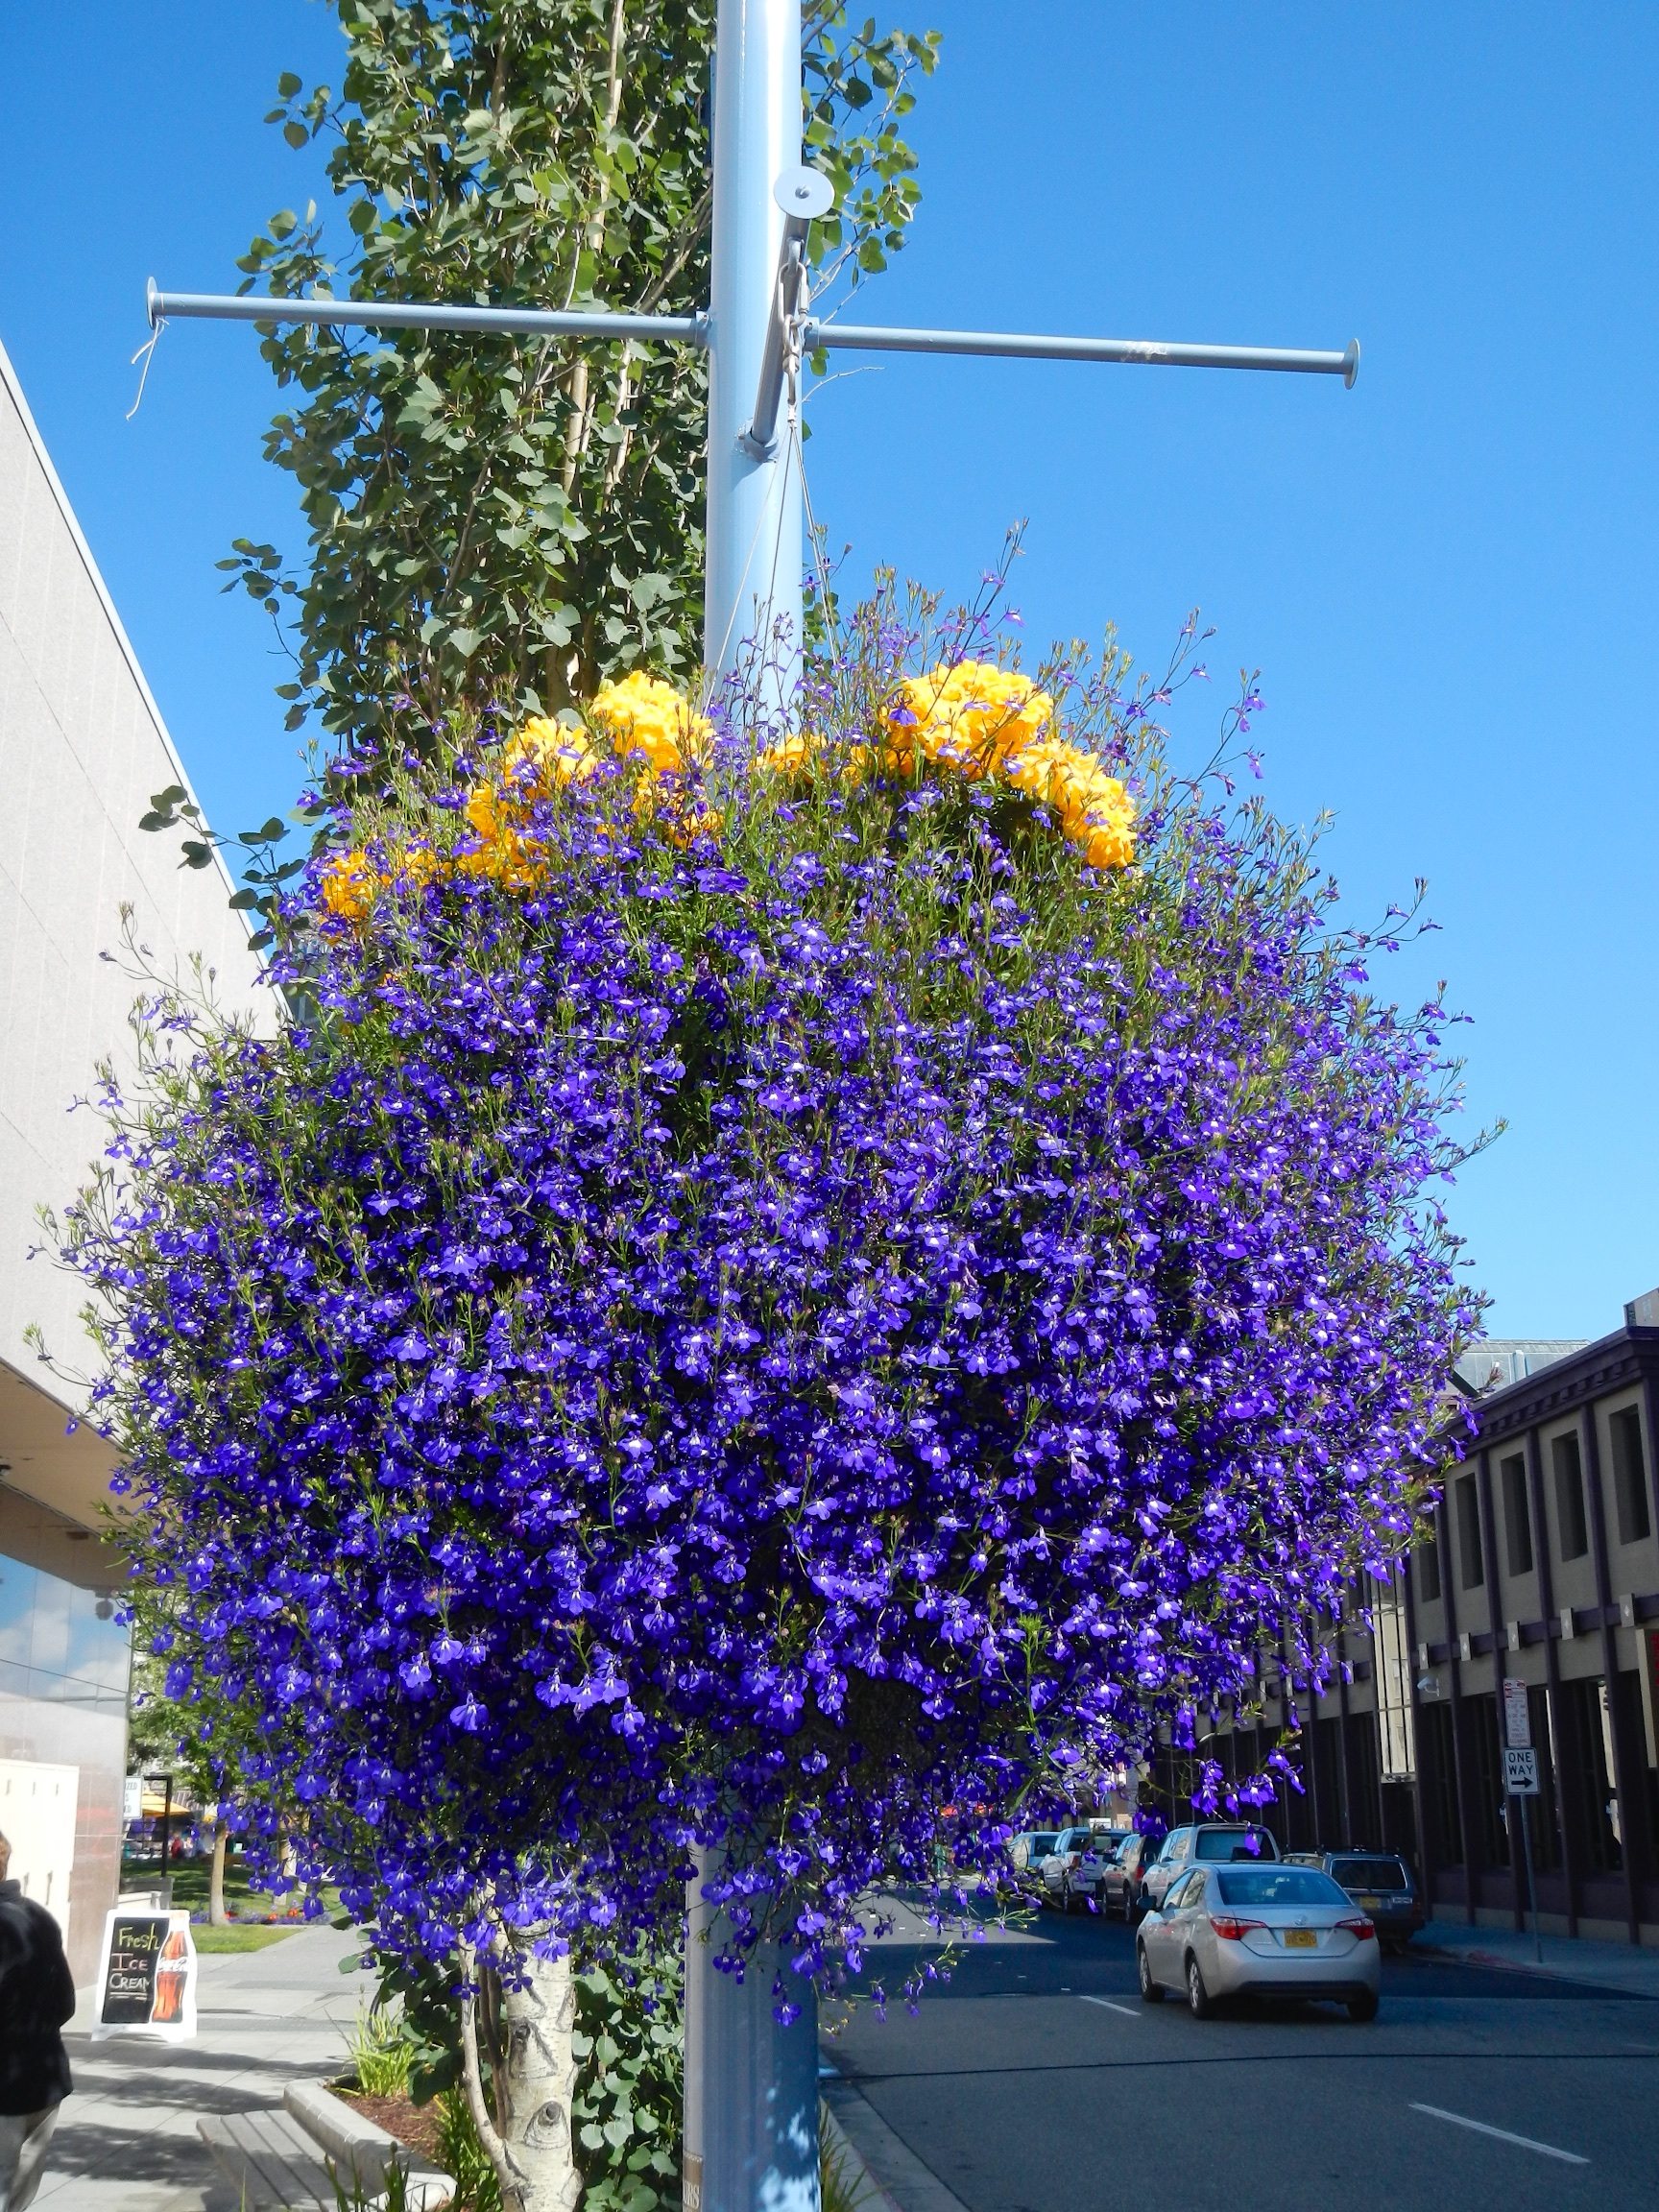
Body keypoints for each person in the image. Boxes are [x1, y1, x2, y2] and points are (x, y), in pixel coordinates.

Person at [0, 1828, 75, 2212]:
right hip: (45, 2081)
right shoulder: (39, 1916)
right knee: (18, 2198)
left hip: (8, 2087)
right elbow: (66, 2004)